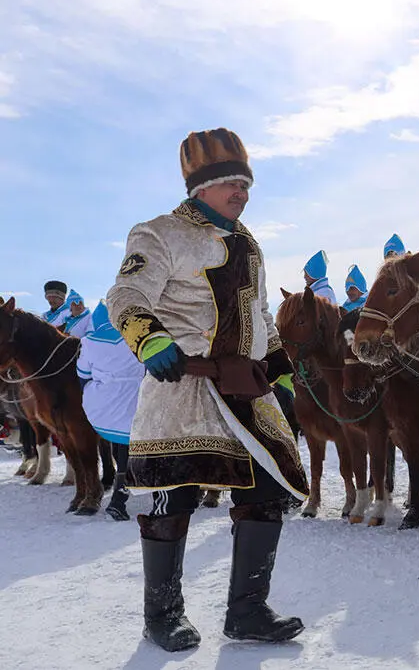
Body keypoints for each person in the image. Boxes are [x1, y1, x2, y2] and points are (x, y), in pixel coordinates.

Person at [107, 127, 309, 652]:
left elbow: (260, 313)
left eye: (245, 184)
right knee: (174, 498)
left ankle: (247, 611)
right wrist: (149, 340)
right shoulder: (159, 232)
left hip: (246, 392)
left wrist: (280, 364)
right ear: (200, 187)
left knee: (266, 495)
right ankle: (162, 616)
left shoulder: (248, 243)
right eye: (229, 184)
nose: (241, 192)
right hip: (183, 390)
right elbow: (126, 294)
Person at [76, 300, 145, 520]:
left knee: (117, 443)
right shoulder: (136, 337)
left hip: (104, 405)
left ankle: (119, 493)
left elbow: (82, 374)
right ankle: (119, 497)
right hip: (135, 399)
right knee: (126, 447)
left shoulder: (89, 342)